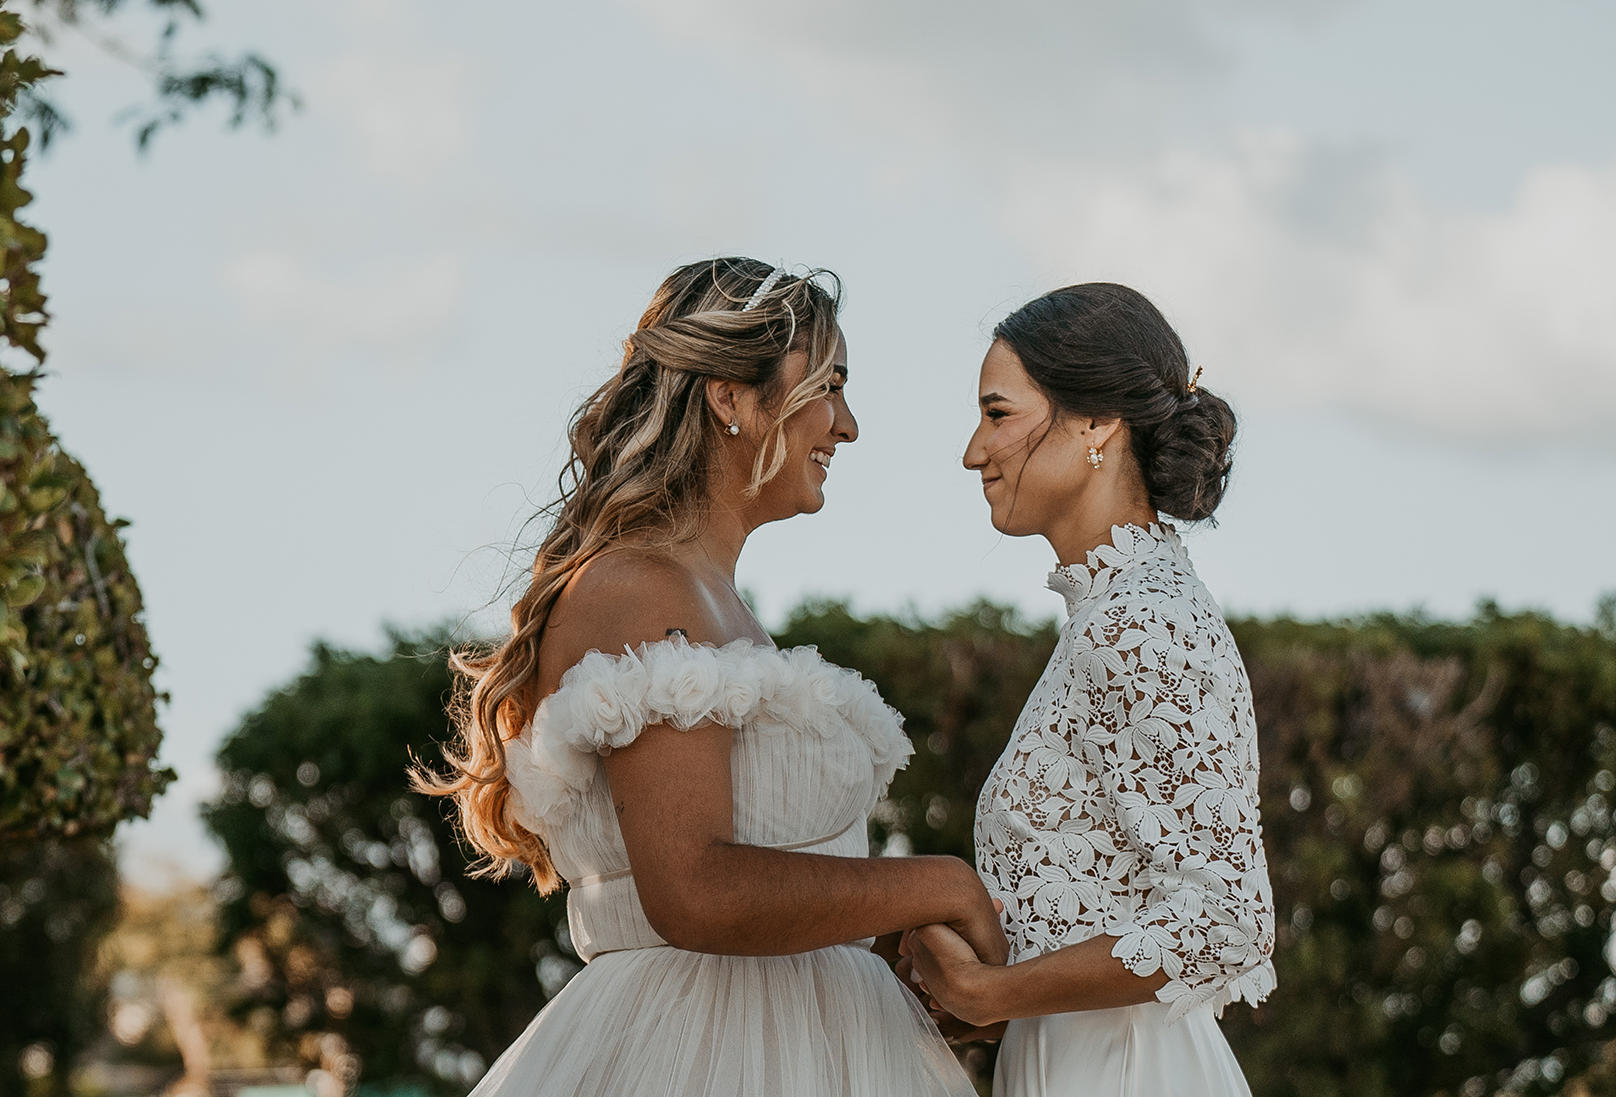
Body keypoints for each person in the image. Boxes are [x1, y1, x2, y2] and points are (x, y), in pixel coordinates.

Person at [416, 257, 996, 1097]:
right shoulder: (639, 590)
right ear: (729, 396)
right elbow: (695, 890)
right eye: (829, 385)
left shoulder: (713, 603)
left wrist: (907, 960)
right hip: (698, 1056)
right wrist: (937, 886)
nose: (848, 425)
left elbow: (772, 880)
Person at [901, 282, 1276, 1096]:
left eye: (997, 414)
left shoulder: (1141, 621)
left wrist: (989, 991)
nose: (974, 450)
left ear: (1097, 422)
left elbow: (1225, 919)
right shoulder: (1118, 611)